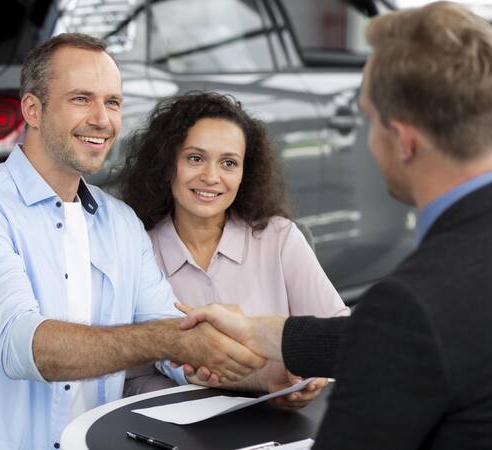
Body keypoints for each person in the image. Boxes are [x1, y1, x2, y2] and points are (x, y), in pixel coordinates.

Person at [0, 33, 266, 450]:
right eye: (82, 98)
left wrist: (260, 373)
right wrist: (171, 340)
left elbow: (174, 337)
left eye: (112, 102)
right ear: (33, 109)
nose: (103, 119)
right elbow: (24, 346)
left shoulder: (120, 223)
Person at [178, 2, 492, 448]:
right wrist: (262, 333)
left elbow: (403, 334)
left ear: (403, 141)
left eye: (369, 119)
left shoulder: (410, 306)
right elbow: (386, 337)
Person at [118, 92, 349, 401]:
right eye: (195, 158)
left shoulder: (279, 237)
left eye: (228, 163)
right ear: (166, 164)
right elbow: (130, 378)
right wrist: (200, 389)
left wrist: (308, 379)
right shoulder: (137, 251)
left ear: (245, 174)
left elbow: (339, 334)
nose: (211, 177)